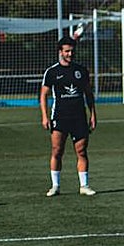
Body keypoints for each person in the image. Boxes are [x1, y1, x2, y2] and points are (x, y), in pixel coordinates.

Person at [40, 35, 97, 196]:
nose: (70, 54)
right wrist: (45, 116)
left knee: (82, 151)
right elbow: (43, 95)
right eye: (66, 51)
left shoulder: (81, 71)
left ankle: (84, 186)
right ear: (60, 52)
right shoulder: (52, 72)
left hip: (79, 117)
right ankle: (55, 186)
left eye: (72, 51)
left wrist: (93, 114)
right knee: (57, 151)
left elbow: (88, 94)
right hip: (59, 117)